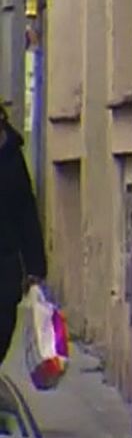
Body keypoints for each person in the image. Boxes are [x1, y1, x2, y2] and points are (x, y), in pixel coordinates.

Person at [0, 107, 46, 365]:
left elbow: (26, 211)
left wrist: (35, 266)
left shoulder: (12, 157)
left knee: (4, 323)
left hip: (5, 263)